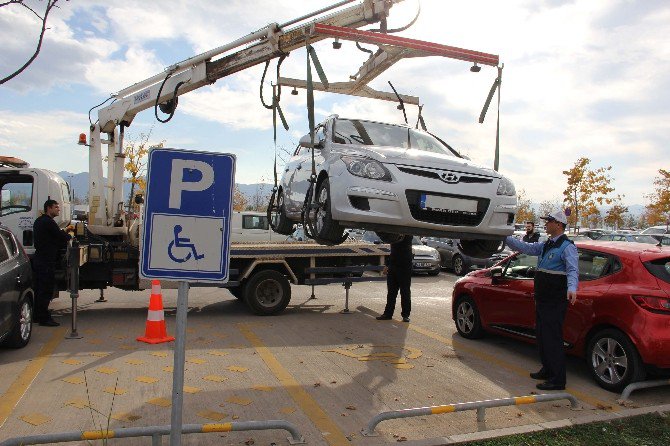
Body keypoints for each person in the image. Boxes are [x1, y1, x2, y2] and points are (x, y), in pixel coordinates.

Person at [505, 210, 578, 391]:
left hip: (554, 300)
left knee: (553, 338)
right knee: (543, 336)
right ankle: (547, 369)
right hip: (543, 298)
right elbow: (527, 248)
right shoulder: (547, 244)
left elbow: (573, 270)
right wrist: (503, 237)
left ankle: (558, 379)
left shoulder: (567, 247)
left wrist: (572, 288)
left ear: (559, 225)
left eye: (549, 221)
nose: (545, 224)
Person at [32, 199, 71, 327]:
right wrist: (69, 235)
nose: (58, 209)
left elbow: (53, 236)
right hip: (46, 261)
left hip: (40, 259)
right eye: (56, 207)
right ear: (48, 208)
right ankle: (44, 318)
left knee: (39, 289)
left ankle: (37, 315)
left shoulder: (39, 221)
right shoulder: (48, 222)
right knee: (46, 289)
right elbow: (60, 237)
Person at [376, 234, 413, 322]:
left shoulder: (407, 235)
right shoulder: (393, 235)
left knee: (405, 292)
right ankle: (388, 314)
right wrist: (387, 265)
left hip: (404, 267)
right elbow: (392, 252)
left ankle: (405, 315)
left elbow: (401, 241)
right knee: (391, 292)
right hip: (393, 265)